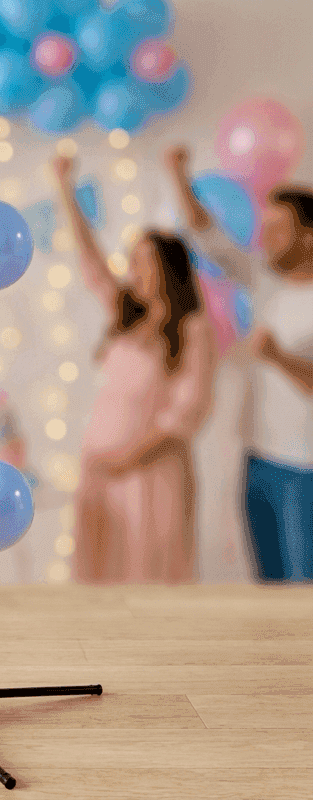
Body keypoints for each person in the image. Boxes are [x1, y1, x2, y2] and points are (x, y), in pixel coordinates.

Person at [54, 154, 216, 583]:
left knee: (149, 574)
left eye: (145, 260)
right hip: (102, 469)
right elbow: (91, 263)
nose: (134, 269)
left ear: (170, 268)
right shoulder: (126, 314)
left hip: (151, 471)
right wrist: (64, 189)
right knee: (100, 573)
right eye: (132, 259)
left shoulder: (193, 328)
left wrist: (128, 459)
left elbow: (188, 412)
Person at [166, 145, 313, 582]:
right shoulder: (266, 280)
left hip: (304, 470)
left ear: (309, 237)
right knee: (268, 584)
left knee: (303, 590)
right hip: (260, 458)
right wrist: (177, 173)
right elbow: (208, 237)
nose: (264, 238)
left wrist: (278, 357)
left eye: (278, 230)